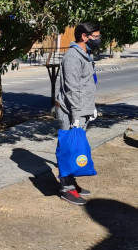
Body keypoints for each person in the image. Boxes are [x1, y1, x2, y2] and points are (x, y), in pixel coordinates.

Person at [55, 22, 101, 205]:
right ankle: (66, 188)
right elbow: (72, 89)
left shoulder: (85, 55)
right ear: (84, 36)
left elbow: (86, 84)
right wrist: (75, 115)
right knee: (68, 148)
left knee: (75, 148)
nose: (98, 39)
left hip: (82, 110)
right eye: (96, 36)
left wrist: (91, 107)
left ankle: (71, 182)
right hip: (71, 111)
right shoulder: (73, 58)